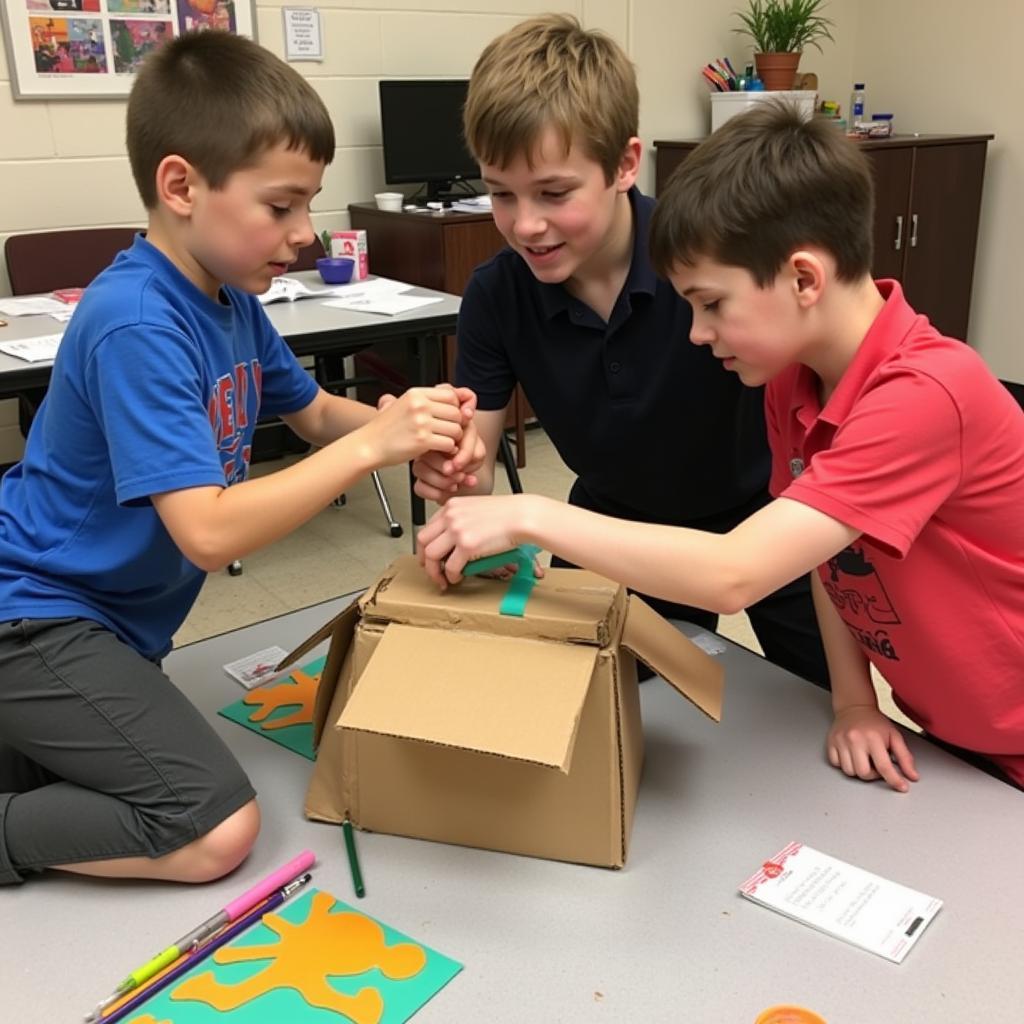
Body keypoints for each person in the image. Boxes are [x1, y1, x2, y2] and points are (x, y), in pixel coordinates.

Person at [418, 102, 1024, 793]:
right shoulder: (793, 380)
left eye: (711, 305)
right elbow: (832, 557)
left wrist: (529, 514)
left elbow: (736, 573)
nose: (698, 334)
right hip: (956, 728)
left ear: (803, 279)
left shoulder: (922, 395)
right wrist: (855, 703)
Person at [0, 31, 472, 887]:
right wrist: (377, 444)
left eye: (308, 206)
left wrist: (409, 422)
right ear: (181, 185)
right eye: (281, 206)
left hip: (102, 623)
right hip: (33, 618)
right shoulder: (140, 321)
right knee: (211, 827)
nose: (302, 234)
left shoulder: (227, 296)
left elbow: (318, 410)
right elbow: (208, 535)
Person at [411, 14, 829, 688]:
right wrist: (454, 469)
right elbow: (477, 465)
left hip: (763, 511)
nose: (526, 225)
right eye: (499, 194)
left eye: (554, 193)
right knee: (590, 707)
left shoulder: (706, 261)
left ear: (624, 165)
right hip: (611, 522)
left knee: (827, 704)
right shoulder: (496, 294)